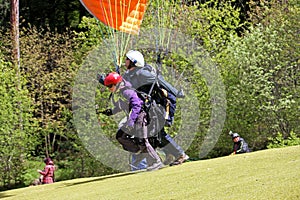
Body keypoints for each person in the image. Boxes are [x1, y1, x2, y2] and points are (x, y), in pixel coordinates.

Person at [122, 50, 189, 166]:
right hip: (145, 108)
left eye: (127, 59)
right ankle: (170, 153)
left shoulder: (143, 73)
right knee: (152, 134)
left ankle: (180, 155)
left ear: (133, 62)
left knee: (158, 132)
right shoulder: (129, 75)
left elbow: (161, 82)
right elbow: (120, 84)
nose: (125, 61)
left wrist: (176, 92)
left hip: (156, 107)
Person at [100, 72, 163, 171]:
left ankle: (156, 161)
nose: (109, 88)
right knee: (121, 136)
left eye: (110, 86)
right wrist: (111, 111)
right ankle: (140, 152)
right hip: (134, 118)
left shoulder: (126, 92)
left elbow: (137, 106)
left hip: (140, 116)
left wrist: (130, 122)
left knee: (142, 140)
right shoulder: (121, 92)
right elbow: (123, 105)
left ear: (116, 84)